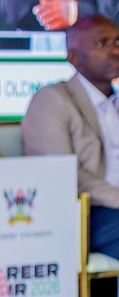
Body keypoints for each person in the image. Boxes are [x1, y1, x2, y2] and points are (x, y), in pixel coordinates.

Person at [21, 15, 119, 258]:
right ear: (74, 58)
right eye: (102, 44)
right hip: (88, 211)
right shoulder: (52, 100)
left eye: (118, 42)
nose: (115, 51)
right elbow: (60, 173)